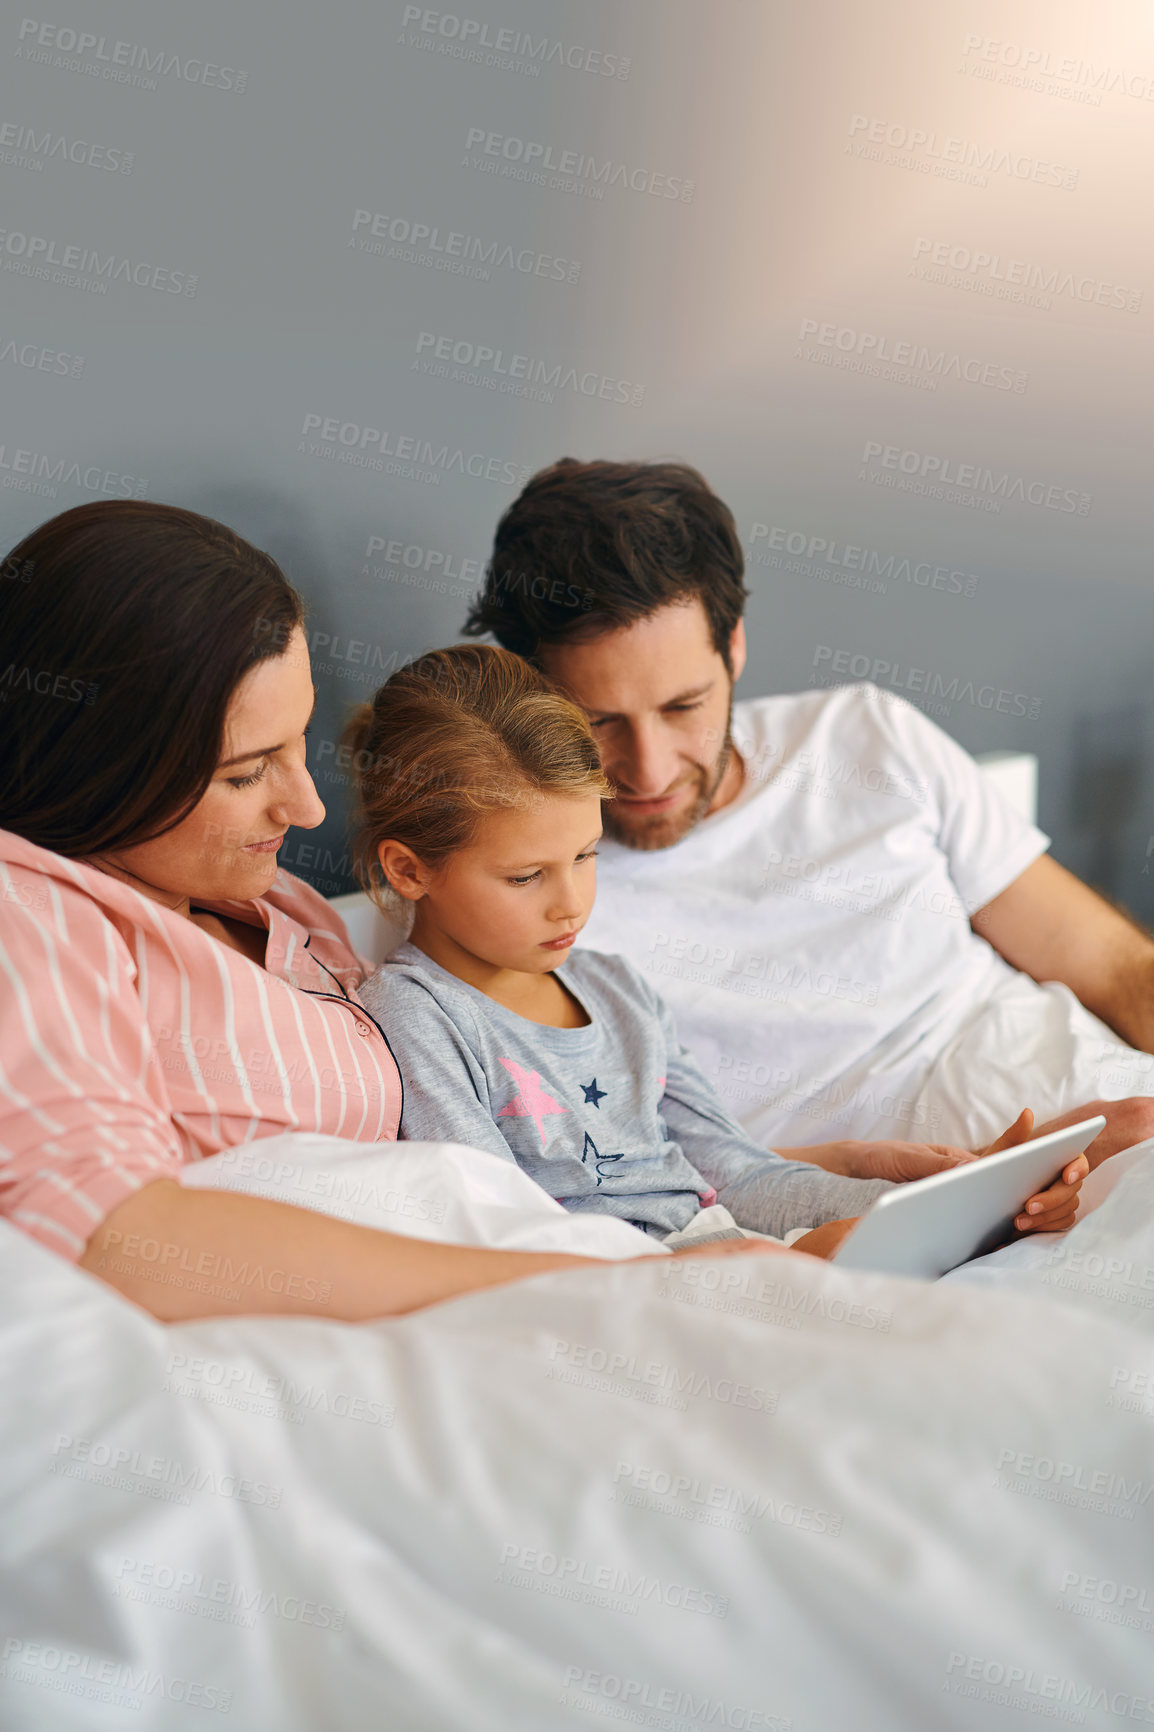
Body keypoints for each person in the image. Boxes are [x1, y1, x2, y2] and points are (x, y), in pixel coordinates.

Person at [0, 501, 771, 1323]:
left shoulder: (272, 900)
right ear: (95, 763)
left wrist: (774, 1176)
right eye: (245, 773)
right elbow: (111, 1236)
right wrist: (596, 1285)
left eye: (297, 743)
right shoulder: (34, 915)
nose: (307, 811)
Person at [462, 458, 1154, 1177]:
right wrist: (987, 1176)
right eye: (598, 720)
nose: (651, 768)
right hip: (881, 1213)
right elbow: (612, 1171)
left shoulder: (865, 735)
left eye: (683, 707)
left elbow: (1114, 966)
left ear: (733, 649)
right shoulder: (529, 889)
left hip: (1101, 1100)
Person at [350, 644, 1085, 1253]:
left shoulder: (616, 990)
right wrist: (721, 1269)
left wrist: (923, 1205)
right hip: (627, 1293)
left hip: (724, 1254)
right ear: (409, 870)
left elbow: (737, 1175)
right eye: (524, 876)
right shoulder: (419, 1014)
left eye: (585, 856)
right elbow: (492, 1232)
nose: (571, 902)